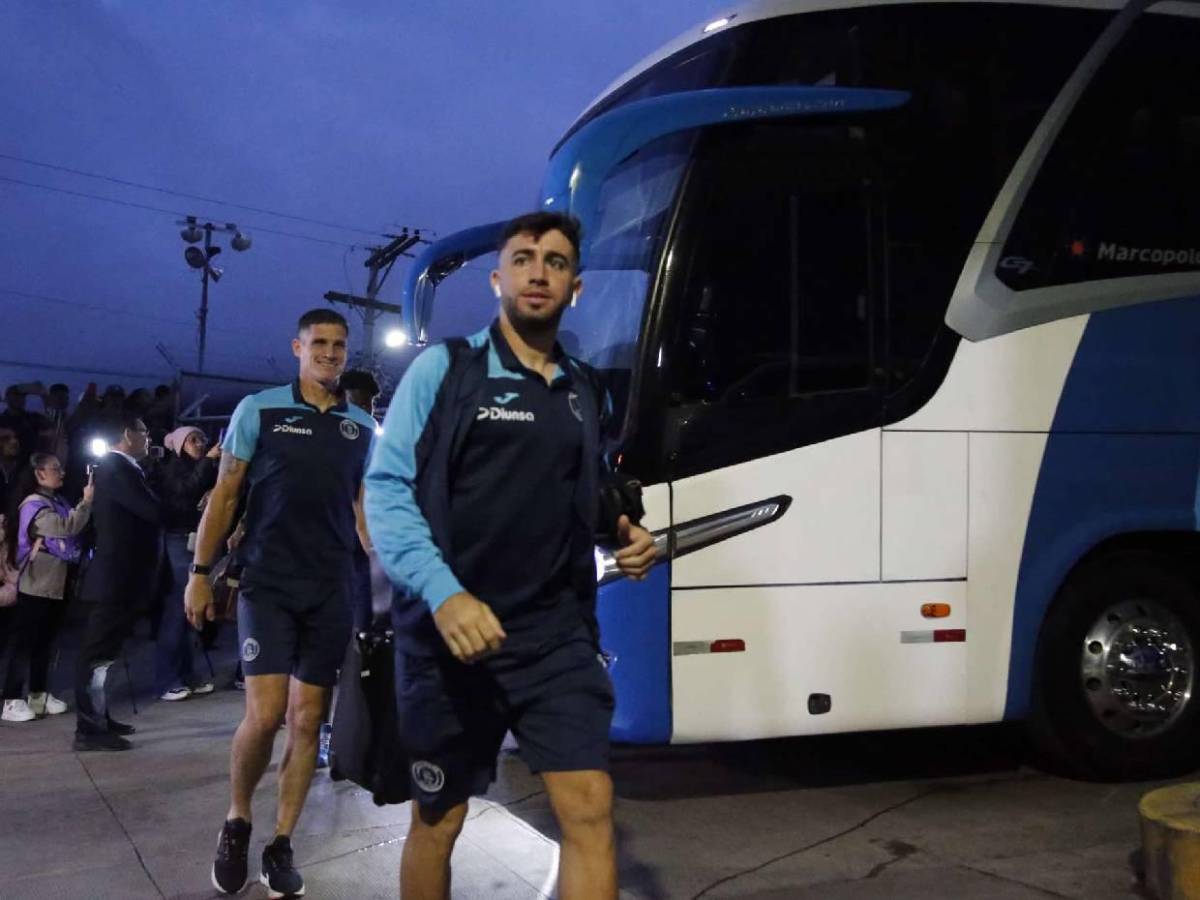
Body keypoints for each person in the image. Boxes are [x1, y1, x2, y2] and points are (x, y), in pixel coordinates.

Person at [364, 211, 656, 900]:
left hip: (552, 638)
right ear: (498, 278)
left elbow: (584, 490)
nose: (538, 271)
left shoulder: (584, 388)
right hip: (450, 637)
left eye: (555, 261)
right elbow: (387, 490)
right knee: (439, 819)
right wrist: (445, 593)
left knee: (589, 807)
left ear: (575, 287)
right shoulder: (447, 370)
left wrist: (620, 527)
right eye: (524, 258)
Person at [185, 308, 375, 898]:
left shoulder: (362, 428)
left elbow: (365, 511)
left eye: (339, 346)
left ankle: (282, 843)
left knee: (307, 720)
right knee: (265, 716)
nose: (329, 354)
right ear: (297, 347)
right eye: (319, 343)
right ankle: (237, 820)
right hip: (266, 584)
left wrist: (398, 572)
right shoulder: (259, 409)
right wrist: (198, 573)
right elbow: (225, 495)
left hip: (331, 589)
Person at [73, 412, 164, 751]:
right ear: (128, 434)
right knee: (95, 656)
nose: (148, 437)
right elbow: (151, 511)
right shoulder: (115, 468)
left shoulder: (123, 469)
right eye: (144, 431)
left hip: (124, 579)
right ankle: (89, 729)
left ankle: (100, 717)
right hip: (114, 579)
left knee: (106, 655)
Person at [1, 454, 93, 721]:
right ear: (38, 473)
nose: (61, 472)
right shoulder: (34, 505)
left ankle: (38, 695)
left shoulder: (57, 501)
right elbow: (66, 528)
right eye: (55, 469)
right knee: (25, 644)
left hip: (55, 584)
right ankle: (11, 699)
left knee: (46, 643)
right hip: (36, 584)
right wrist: (86, 502)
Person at [153, 426, 220, 701]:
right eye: (193, 440)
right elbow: (185, 493)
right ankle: (169, 679)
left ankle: (187, 674)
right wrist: (207, 463)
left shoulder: (204, 468)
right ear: (180, 445)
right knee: (180, 606)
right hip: (179, 540)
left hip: (198, 541)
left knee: (192, 610)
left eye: (202, 439)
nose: (200, 444)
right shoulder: (173, 470)